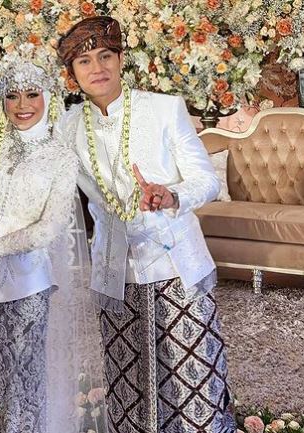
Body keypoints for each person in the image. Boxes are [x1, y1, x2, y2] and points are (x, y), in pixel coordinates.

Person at [57, 16, 235, 433]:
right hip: (114, 269)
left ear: (121, 60)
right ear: (72, 75)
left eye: (106, 56)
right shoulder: (66, 127)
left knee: (193, 378)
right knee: (128, 384)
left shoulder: (164, 109)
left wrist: (172, 195)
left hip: (174, 262)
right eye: (84, 61)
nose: (98, 68)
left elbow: (206, 180)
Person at [0, 49, 107, 433]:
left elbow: (48, 228)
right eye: (12, 95)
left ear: (49, 97)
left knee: (20, 381)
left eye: (32, 94)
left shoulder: (60, 158)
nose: (22, 105)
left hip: (27, 284)